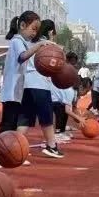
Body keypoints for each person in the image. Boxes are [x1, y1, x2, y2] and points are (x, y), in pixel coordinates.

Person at [0, 10, 51, 167]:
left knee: (13, 126)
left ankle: (10, 155)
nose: (35, 33)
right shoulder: (16, 41)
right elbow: (23, 56)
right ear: (22, 25)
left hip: (17, 93)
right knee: (6, 126)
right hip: (11, 92)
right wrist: (39, 45)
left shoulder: (23, 42)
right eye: (33, 29)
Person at [17, 18, 64, 159]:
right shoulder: (50, 45)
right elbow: (59, 64)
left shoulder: (30, 43)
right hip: (40, 84)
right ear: (51, 31)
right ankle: (51, 146)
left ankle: (15, 145)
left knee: (25, 118)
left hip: (27, 84)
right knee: (47, 118)